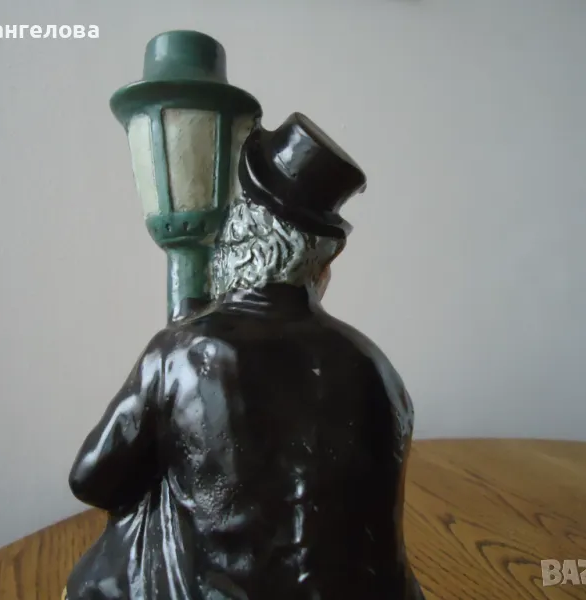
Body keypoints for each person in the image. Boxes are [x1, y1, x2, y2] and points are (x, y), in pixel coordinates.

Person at [65, 113, 424, 600]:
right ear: (322, 261)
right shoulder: (375, 366)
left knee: (140, 517)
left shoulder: (181, 353)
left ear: (237, 234)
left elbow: (92, 481)